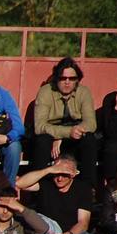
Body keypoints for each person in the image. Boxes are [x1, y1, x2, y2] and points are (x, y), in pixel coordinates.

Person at [32, 57, 99, 186]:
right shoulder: (45, 91)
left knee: (89, 140)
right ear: (57, 79)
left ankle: (87, 189)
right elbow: (39, 126)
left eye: (72, 78)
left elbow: (91, 123)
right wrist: (65, 133)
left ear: (77, 80)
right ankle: (39, 189)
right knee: (42, 141)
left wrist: (69, 134)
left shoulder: (84, 92)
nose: (67, 82)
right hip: (51, 135)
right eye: (63, 78)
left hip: (76, 134)